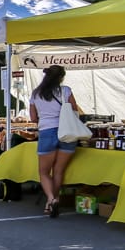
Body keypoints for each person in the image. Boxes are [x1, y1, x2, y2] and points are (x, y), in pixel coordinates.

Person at [29, 65, 79, 218]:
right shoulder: (66, 91)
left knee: (44, 172)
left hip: (47, 132)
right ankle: (52, 201)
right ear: (61, 77)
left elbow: (33, 118)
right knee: (58, 170)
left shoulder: (36, 94)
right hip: (67, 132)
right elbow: (75, 111)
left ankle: (50, 199)